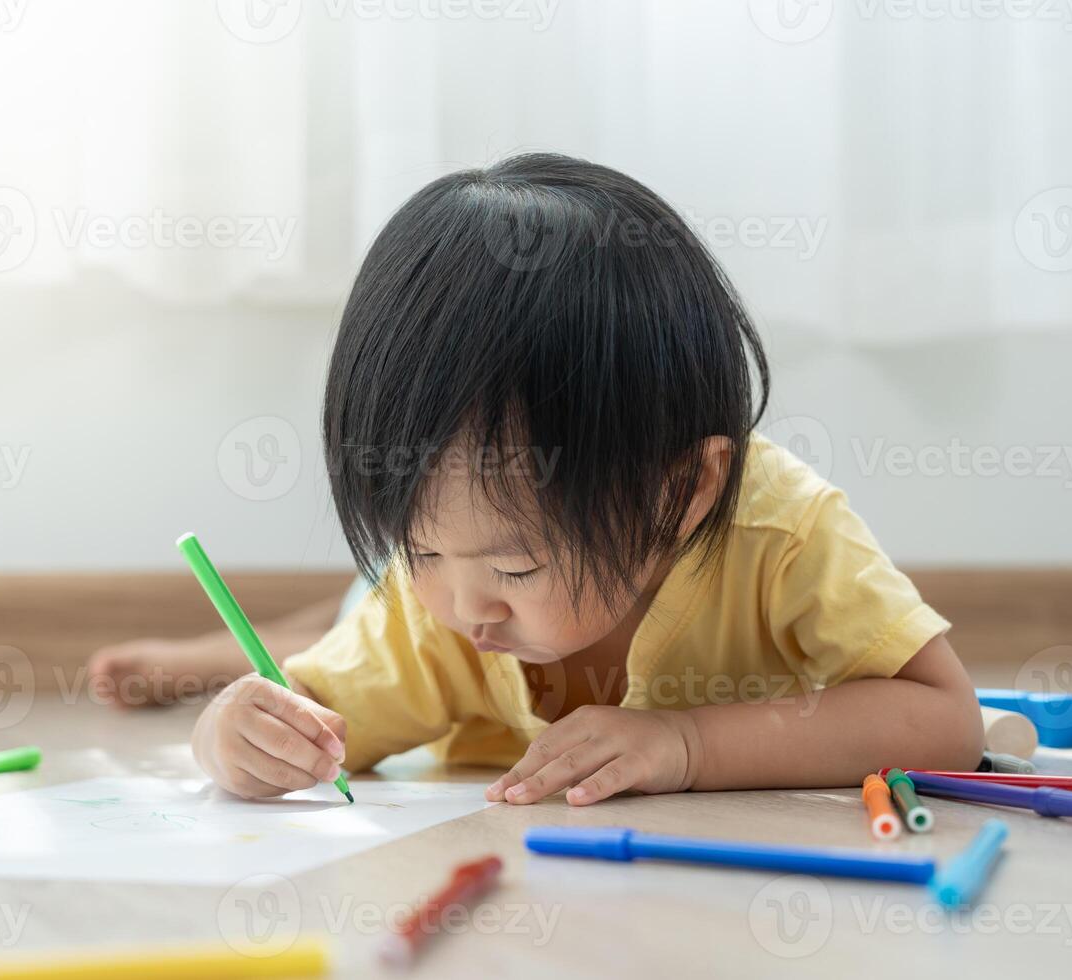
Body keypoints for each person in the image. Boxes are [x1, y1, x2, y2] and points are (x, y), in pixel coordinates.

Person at [181, 153, 982, 805]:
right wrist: (234, 735)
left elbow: (947, 721)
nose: (466, 607)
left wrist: (687, 744)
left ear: (680, 492)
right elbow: (313, 722)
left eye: (516, 568)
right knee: (364, 604)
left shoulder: (785, 534)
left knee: (374, 594)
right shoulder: (443, 604)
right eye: (418, 549)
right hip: (379, 612)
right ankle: (232, 642)